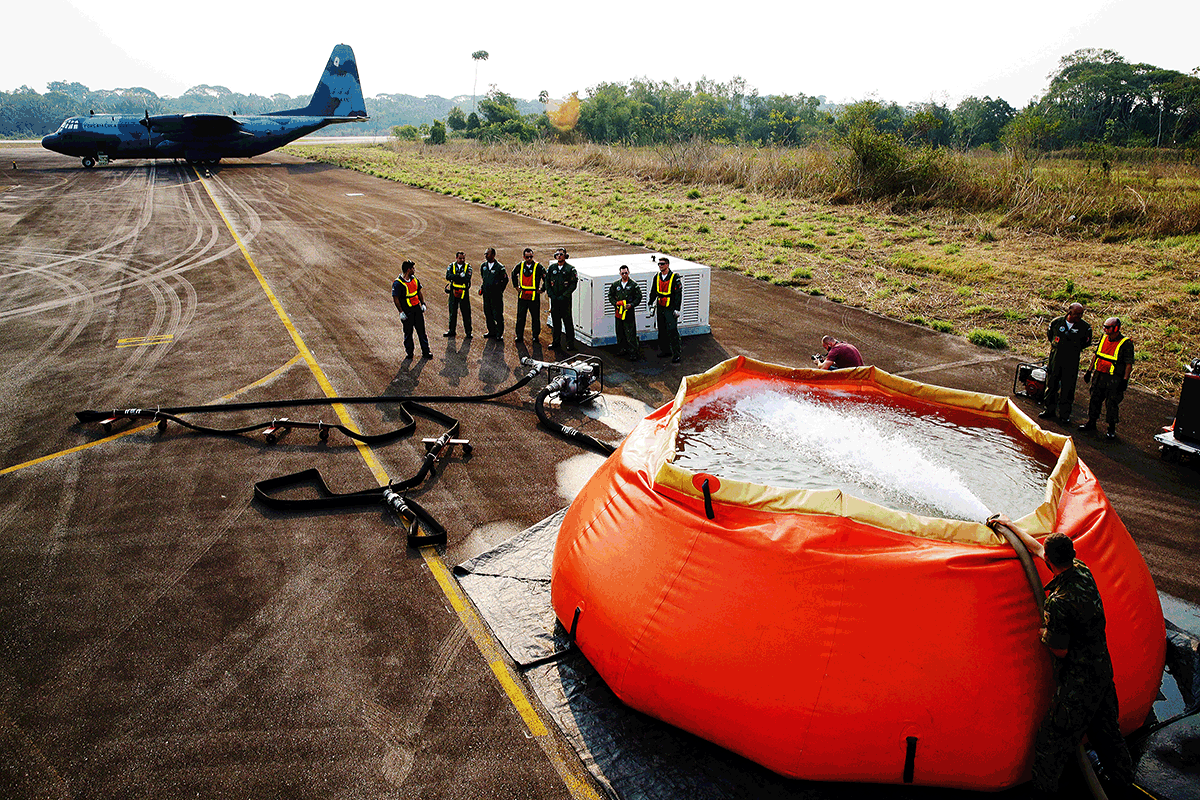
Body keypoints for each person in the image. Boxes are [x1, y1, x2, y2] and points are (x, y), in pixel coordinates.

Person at [984, 517, 1133, 800]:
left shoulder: (1060, 601)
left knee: (1050, 745)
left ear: (1051, 562)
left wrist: (1043, 631)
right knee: (1107, 735)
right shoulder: (1081, 570)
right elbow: (1037, 548)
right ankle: (1124, 784)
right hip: (1102, 671)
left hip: (1079, 683)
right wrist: (1008, 525)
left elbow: (1059, 649)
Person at [1079, 318, 1134, 440]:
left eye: (1108, 327)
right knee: (1094, 399)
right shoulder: (1103, 338)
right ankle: (1091, 422)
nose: (1105, 329)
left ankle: (1111, 428)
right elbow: (1096, 355)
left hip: (1114, 378)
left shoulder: (1126, 343)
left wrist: (1125, 380)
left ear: (1115, 328)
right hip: (1099, 375)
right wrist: (1089, 371)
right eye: (1104, 326)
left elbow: (1128, 364)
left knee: (1112, 403)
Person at [1040, 303, 1093, 424]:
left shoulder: (1085, 327)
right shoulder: (1056, 323)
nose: (1079, 316)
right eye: (1076, 314)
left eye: (1081, 314)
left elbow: (1086, 343)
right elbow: (1051, 337)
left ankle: (1065, 415)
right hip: (1055, 359)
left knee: (1068, 389)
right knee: (1052, 385)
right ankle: (1049, 410)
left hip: (1071, 362)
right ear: (1069, 312)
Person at [391, 260, 432, 359]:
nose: (414, 270)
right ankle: (409, 352)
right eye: (413, 268)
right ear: (409, 270)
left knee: (421, 332)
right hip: (407, 311)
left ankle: (426, 351)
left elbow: (419, 292)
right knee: (408, 333)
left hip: (417, 310)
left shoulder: (415, 280)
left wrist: (423, 303)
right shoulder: (398, 283)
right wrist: (401, 312)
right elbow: (396, 298)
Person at [650, 256, 682, 363]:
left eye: (662, 264)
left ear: (667, 265)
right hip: (660, 306)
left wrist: (677, 309)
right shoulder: (657, 276)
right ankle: (665, 351)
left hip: (670, 307)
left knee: (672, 330)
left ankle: (676, 353)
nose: (660, 266)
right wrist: (651, 303)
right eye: (659, 264)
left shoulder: (674, 277)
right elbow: (654, 290)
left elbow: (678, 294)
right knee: (662, 329)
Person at [608, 264, 643, 361]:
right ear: (619, 273)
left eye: (626, 273)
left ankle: (633, 352)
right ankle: (622, 349)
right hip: (619, 312)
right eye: (622, 273)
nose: (624, 275)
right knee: (620, 331)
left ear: (629, 273)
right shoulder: (616, 285)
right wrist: (615, 303)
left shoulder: (633, 285)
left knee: (630, 332)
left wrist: (632, 304)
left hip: (628, 312)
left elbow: (639, 297)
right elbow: (610, 295)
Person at [546, 248, 579, 351]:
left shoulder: (570, 269)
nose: (559, 256)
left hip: (565, 301)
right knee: (556, 323)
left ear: (565, 256)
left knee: (568, 322)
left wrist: (564, 295)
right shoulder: (552, 268)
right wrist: (551, 295)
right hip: (555, 300)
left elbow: (573, 284)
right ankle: (556, 342)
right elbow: (547, 282)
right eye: (557, 254)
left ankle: (570, 344)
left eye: (561, 254)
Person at [511, 248, 545, 345]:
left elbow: (546, 277)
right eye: (527, 257)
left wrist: (542, 289)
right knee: (520, 316)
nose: (529, 258)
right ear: (524, 257)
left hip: (534, 296)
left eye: (531, 256)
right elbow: (513, 274)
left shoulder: (538, 266)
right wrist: (516, 286)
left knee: (535, 317)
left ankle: (535, 336)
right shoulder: (520, 265)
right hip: (523, 295)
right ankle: (519, 335)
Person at [479, 247, 508, 340]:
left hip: (496, 296)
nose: (486, 256)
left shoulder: (499, 267)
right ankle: (491, 331)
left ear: (493, 255)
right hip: (486, 295)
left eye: (488, 254)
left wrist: (499, 290)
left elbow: (505, 280)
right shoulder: (483, 266)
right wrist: (482, 288)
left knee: (498, 314)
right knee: (488, 313)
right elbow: (484, 279)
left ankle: (499, 333)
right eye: (485, 254)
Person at [444, 250, 472, 338]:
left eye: (463, 258)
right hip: (453, 292)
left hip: (464, 292)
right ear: (456, 258)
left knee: (466, 313)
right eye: (460, 258)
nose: (462, 260)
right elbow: (448, 276)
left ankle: (468, 332)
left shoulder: (468, 267)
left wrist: (455, 277)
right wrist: (460, 277)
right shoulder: (451, 266)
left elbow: (467, 278)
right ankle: (451, 330)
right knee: (452, 312)